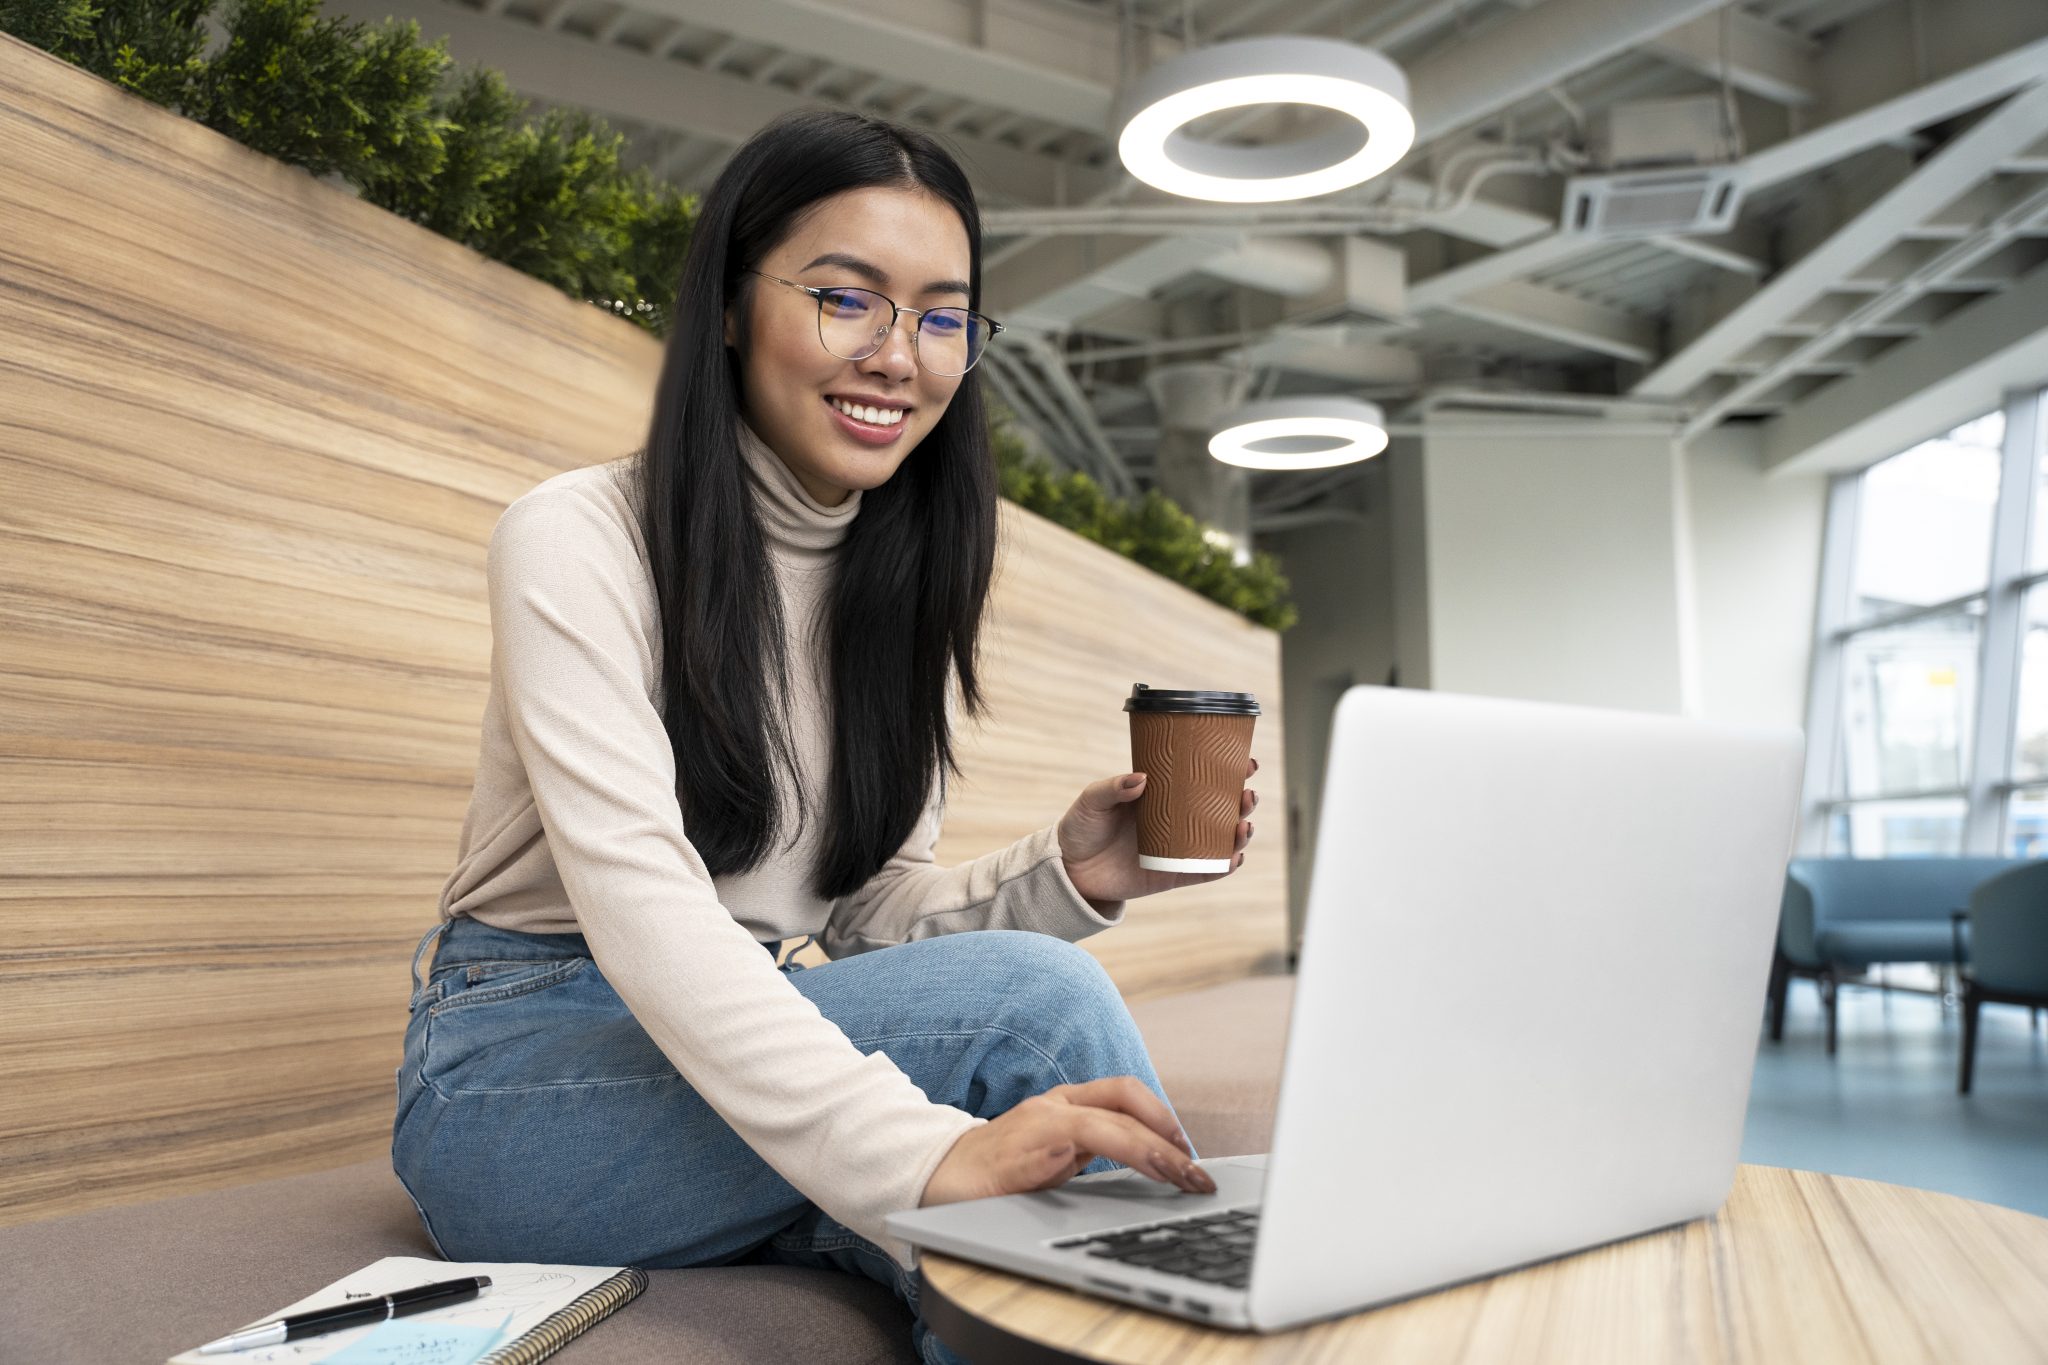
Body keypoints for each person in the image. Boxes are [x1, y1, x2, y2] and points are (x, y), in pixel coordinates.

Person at [391, 107, 1260, 1365]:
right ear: (735, 307)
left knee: (999, 1221)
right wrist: (927, 1151)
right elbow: (648, 908)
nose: (898, 356)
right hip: (516, 1073)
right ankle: (1210, 1322)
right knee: (1033, 1027)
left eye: (942, 316)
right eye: (846, 299)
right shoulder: (575, 538)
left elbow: (861, 917)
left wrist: (1063, 878)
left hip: (762, 1014)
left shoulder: (895, 581)